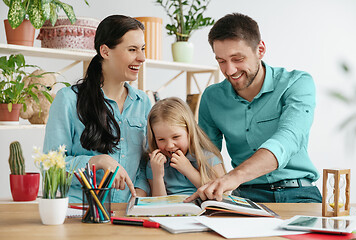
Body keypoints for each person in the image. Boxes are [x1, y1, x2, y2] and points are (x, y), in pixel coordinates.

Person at [185, 13, 322, 203]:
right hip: (247, 198)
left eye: (237, 59)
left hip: (298, 193)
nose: (230, 70)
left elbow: (288, 139)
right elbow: (208, 154)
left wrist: (233, 177)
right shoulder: (212, 97)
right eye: (221, 61)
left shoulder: (297, 83)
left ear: (260, 50)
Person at [43, 15, 151, 203]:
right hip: (79, 213)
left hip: (127, 213)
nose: (141, 57)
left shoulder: (143, 102)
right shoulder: (68, 100)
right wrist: (96, 161)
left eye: (142, 49)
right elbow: (51, 166)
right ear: (105, 51)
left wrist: (140, 193)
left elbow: (146, 160)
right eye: (132, 49)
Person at [146, 97, 226, 196]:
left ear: (190, 132)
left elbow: (221, 195)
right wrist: (157, 176)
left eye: (176, 137)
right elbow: (158, 205)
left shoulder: (209, 158)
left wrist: (188, 170)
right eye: (161, 139)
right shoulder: (154, 164)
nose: (170, 145)